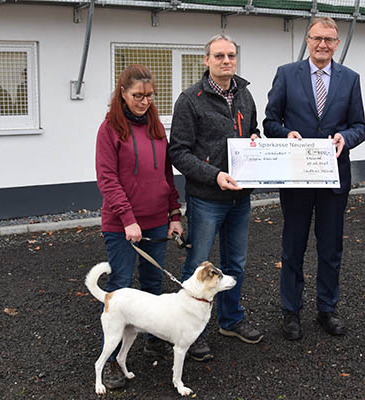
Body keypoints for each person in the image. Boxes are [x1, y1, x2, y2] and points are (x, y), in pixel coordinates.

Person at [263, 17, 365, 341]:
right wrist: (286, 133)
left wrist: (344, 139)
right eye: (317, 38)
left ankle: (327, 309)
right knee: (293, 247)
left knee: (330, 248)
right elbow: (270, 121)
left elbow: (360, 126)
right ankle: (290, 312)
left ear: (337, 43)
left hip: (334, 178)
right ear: (307, 40)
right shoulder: (286, 74)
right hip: (296, 176)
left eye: (329, 39)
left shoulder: (350, 79)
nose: (323, 44)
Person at [169, 33, 263, 361]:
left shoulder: (246, 95)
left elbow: (254, 131)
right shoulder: (189, 99)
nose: (226, 61)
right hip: (207, 197)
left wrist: (254, 139)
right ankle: (188, 331)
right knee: (198, 265)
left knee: (235, 263)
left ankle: (231, 320)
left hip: (240, 197)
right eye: (219, 56)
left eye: (231, 56)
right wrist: (214, 175)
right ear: (206, 60)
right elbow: (178, 153)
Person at [95, 64, 184, 389]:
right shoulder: (109, 130)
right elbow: (107, 179)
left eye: (149, 96)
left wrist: (174, 213)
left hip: (157, 221)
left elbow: (166, 174)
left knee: (152, 284)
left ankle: (151, 337)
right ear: (122, 93)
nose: (144, 101)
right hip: (122, 226)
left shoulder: (156, 126)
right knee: (119, 287)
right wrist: (128, 218)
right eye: (137, 96)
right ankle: (111, 360)